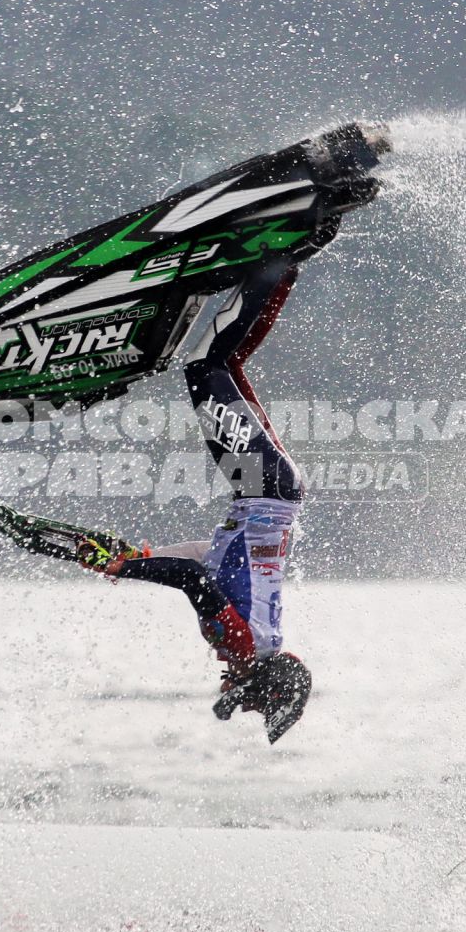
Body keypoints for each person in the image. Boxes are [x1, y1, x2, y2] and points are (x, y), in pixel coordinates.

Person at [76, 256, 315, 743]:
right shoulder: (245, 647)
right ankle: (279, 260)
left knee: (221, 365)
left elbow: (209, 558)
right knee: (207, 365)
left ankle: (280, 266)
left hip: (271, 489)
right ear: (264, 689)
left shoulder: (253, 642)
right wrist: (127, 570)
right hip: (262, 486)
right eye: (253, 707)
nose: (240, 704)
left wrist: (136, 558)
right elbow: (192, 579)